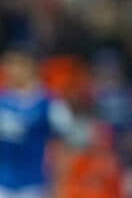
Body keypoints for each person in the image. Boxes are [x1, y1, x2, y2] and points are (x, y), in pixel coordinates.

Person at [0, 44, 76, 198]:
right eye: (9, 64)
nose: (12, 70)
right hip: (3, 183)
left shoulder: (50, 102)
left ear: (32, 66)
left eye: (18, 64)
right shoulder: (2, 100)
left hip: (33, 185)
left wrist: (59, 181)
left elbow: (67, 142)